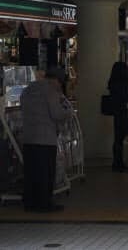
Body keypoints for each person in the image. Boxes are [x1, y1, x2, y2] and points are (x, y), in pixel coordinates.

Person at [21, 67, 73, 212]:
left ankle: (29, 203)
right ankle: (44, 203)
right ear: (56, 80)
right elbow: (57, 113)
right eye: (60, 83)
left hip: (28, 138)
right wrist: (68, 112)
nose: (60, 86)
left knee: (31, 172)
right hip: (45, 139)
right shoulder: (51, 91)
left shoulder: (28, 89)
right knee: (45, 173)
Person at [108, 62, 128, 173]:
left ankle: (117, 162)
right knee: (120, 138)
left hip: (117, 112)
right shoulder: (122, 83)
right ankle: (118, 163)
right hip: (121, 111)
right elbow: (125, 97)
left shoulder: (113, 83)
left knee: (118, 138)